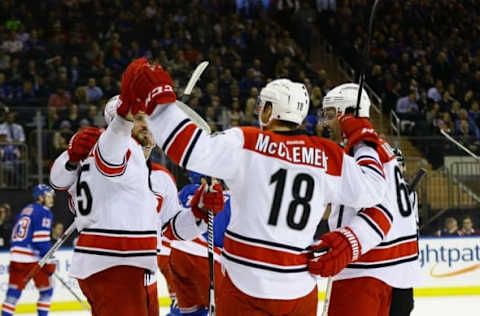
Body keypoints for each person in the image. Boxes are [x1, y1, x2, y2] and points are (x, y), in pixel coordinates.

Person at [129, 59, 388, 315]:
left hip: (246, 285)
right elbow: (376, 188)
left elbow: (190, 149)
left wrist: (160, 103)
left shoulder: (248, 142)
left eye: (262, 106)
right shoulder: (328, 155)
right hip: (300, 289)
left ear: (268, 111)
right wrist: (363, 138)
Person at [49, 61, 224, 316]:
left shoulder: (160, 177)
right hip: (115, 263)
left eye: (148, 117)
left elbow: (171, 229)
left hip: (141, 272)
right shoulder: (112, 154)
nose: (146, 124)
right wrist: (75, 153)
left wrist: (197, 214)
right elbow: (71, 175)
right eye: (137, 117)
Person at [319, 83, 421, 316]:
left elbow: (373, 198)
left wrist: (345, 243)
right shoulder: (378, 145)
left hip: (366, 270)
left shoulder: (362, 147)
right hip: (392, 270)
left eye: (330, 114)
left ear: (346, 114)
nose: (325, 123)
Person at [162, 172, 231, 316]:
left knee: (189, 311)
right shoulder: (230, 198)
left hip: (176, 252)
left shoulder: (186, 190)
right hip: (206, 256)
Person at [1, 184, 56, 316]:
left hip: (15, 257)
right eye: (49, 196)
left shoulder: (26, 209)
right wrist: (49, 261)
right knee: (46, 291)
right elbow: (41, 241)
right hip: (31, 259)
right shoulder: (44, 211)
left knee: (12, 295)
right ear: (41, 197)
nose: (52, 199)